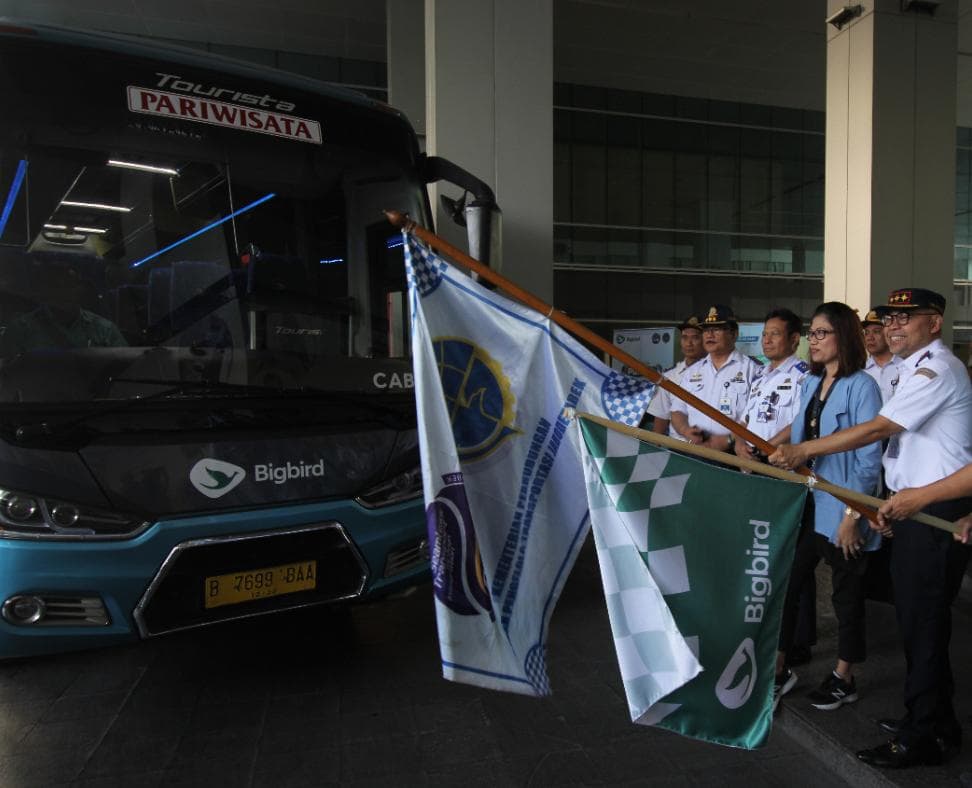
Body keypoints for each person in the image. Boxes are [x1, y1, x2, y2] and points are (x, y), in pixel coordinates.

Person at [769, 287, 972, 768]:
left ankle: (921, 736)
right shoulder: (908, 371)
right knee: (919, 623)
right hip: (911, 506)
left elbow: (879, 431)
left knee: (922, 625)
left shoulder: (937, 370)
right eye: (890, 319)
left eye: (907, 318)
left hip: (935, 510)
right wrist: (888, 500)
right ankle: (934, 721)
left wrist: (805, 451)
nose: (894, 326)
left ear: (934, 323)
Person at [771, 302, 883, 713]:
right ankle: (778, 668)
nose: (813, 341)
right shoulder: (811, 382)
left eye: (821, 333)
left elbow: (869, 460)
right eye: (811, 333)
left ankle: (844, 676)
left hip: (844, 507)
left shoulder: (863, 386)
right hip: (809, 502)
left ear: (843, 336)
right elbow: (803, 440)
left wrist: (853, 516)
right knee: (786, 585)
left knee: (846, 596)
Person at [669, 304, 761, 452]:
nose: (709, 335)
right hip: (694, 450)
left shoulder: (752, 370)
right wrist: (685, 430)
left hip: (733, 453)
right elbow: (677, 410)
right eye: (706, 330)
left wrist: (729, 439)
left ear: (734, 334)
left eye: (716, 329)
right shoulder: (692, 372)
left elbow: (757, 417)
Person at [1, 259, 126, 353]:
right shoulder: (21, 330)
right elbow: (6, 373)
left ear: (80, 289)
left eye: (69, 285)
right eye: (56, 286)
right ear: (44, 291)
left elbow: (126, 369)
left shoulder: (105, 330)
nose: (64, 291)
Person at [736, 308, 809, 459]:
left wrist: (762, 451)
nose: (767, 340)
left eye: (775, 334)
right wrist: (739, 445)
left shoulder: (804, 376)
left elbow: (801, 422)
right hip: (750, 462)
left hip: (779, 464)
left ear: (794, 338)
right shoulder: (759, 376)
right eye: (764, 334)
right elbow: (745, 420)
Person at [645, 315, 704, 439]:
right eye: (685, 337)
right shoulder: (669, 377)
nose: (689, 343)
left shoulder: (717, 373)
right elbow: (661, 420)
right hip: (677, 446)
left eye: (695, 337)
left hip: (710, 446)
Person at [862, 307, 903, 404]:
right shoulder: (861, 370)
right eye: (866, 333)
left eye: (876, 331)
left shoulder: (905, 366)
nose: (869, 338)